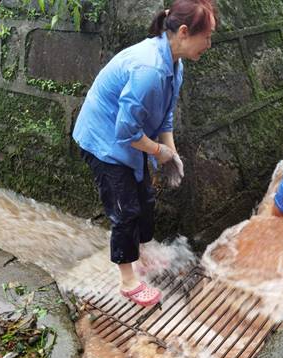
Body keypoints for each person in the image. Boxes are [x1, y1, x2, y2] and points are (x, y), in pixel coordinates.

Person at [73, 0, 218, 307]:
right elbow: (124, 131)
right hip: (104, 139)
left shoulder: (174, 65)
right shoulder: (150, 69)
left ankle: (144, 254)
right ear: (182, 32)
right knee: (125, 209)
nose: (209, 43)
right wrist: (158, 151)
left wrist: (172, 154)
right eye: (206, 36)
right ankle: (128, 281)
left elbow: (164, 117)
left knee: (146, 198)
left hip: (131, 137)